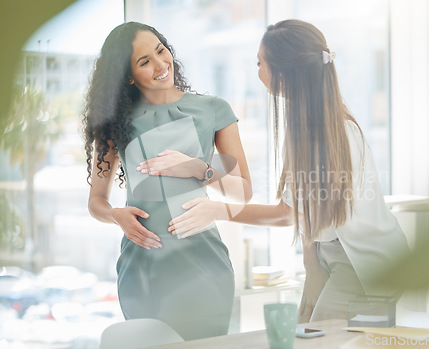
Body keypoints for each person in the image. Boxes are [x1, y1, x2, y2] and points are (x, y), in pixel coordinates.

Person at [168, 19, 409, 323]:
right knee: (303, 331)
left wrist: (218, 210)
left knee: (314, 338)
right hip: (335, 256)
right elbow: (311, 211)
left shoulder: (330, 134)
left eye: (260, 62)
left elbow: (288, 214)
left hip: (365, 264)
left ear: (284, 73)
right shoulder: (314, 125)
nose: (257, 71)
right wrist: (311, 267)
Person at [82, 22, 252, 340]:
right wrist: (116, 215)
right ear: (129, 76)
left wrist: (197, 168)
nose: (161, 65)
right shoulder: (115, 124)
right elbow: (96, 202)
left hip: (203, 266)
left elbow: (242, 190)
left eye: (161, 51)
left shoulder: (213, 110)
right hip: (142, 268)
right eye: (145, 61)